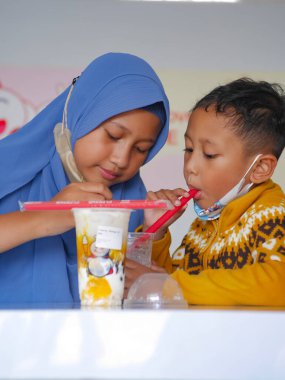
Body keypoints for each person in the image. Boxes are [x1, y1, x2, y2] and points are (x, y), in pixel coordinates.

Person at [0, 52, 169, 305]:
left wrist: (154, 233)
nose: (121, 159)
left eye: (141, 149)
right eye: (113, 135)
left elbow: (132, 302)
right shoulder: (8, 167)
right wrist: (44, 218)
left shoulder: (130, 201)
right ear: (80, 114)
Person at [126, 78, 285, 306]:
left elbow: (278, 284)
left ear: (259, 169)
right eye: (189, 149)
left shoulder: (272, 214)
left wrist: (171, 285)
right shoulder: (205, 227)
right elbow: (179, 286)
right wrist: (157, 233)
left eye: (209, 154)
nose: (190, 166)